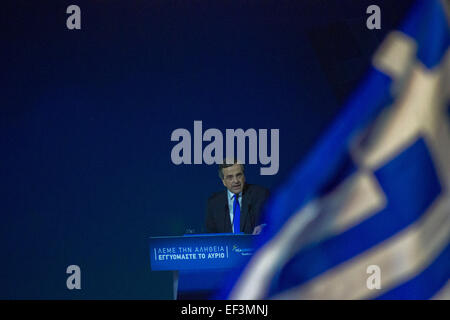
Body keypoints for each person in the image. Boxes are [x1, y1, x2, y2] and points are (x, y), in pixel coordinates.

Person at [205, 159, 270, 234]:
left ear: (244, 176)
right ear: (223, 181)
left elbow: (274, 222)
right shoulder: (214, 203)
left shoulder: (260, 194)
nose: (236, 181)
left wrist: (264, 227)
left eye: (239, 175)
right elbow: (212, 235)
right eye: (230, 177)